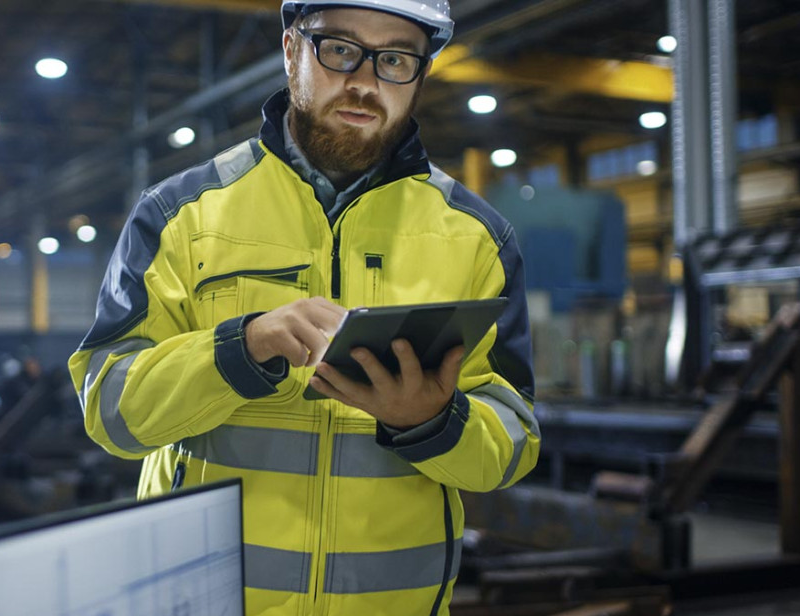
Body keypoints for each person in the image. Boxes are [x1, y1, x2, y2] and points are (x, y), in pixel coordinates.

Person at [69, 1, 540, 614]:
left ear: (421, 75)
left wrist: (433, 421)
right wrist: (240, 349)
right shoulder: (182, 216)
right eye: (340, 50)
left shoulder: (478, 238)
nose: (366, 83)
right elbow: (111, 411)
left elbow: (514, 444)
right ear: (292, 50)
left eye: (395, 60)